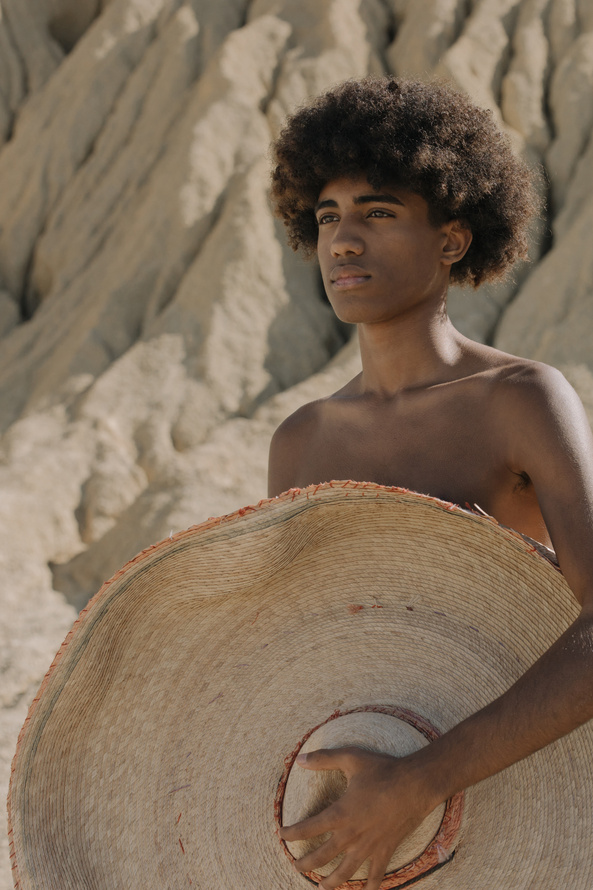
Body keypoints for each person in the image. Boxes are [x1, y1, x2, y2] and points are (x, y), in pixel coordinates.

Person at [266, 77, 593, 890]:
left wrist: (417, 783)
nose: (342, 241)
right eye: (327, 216)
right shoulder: (300, 441)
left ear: (451, 240)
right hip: (360, 834)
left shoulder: (519, 398)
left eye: (377, 213)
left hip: (507, 798)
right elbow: (292, 652)